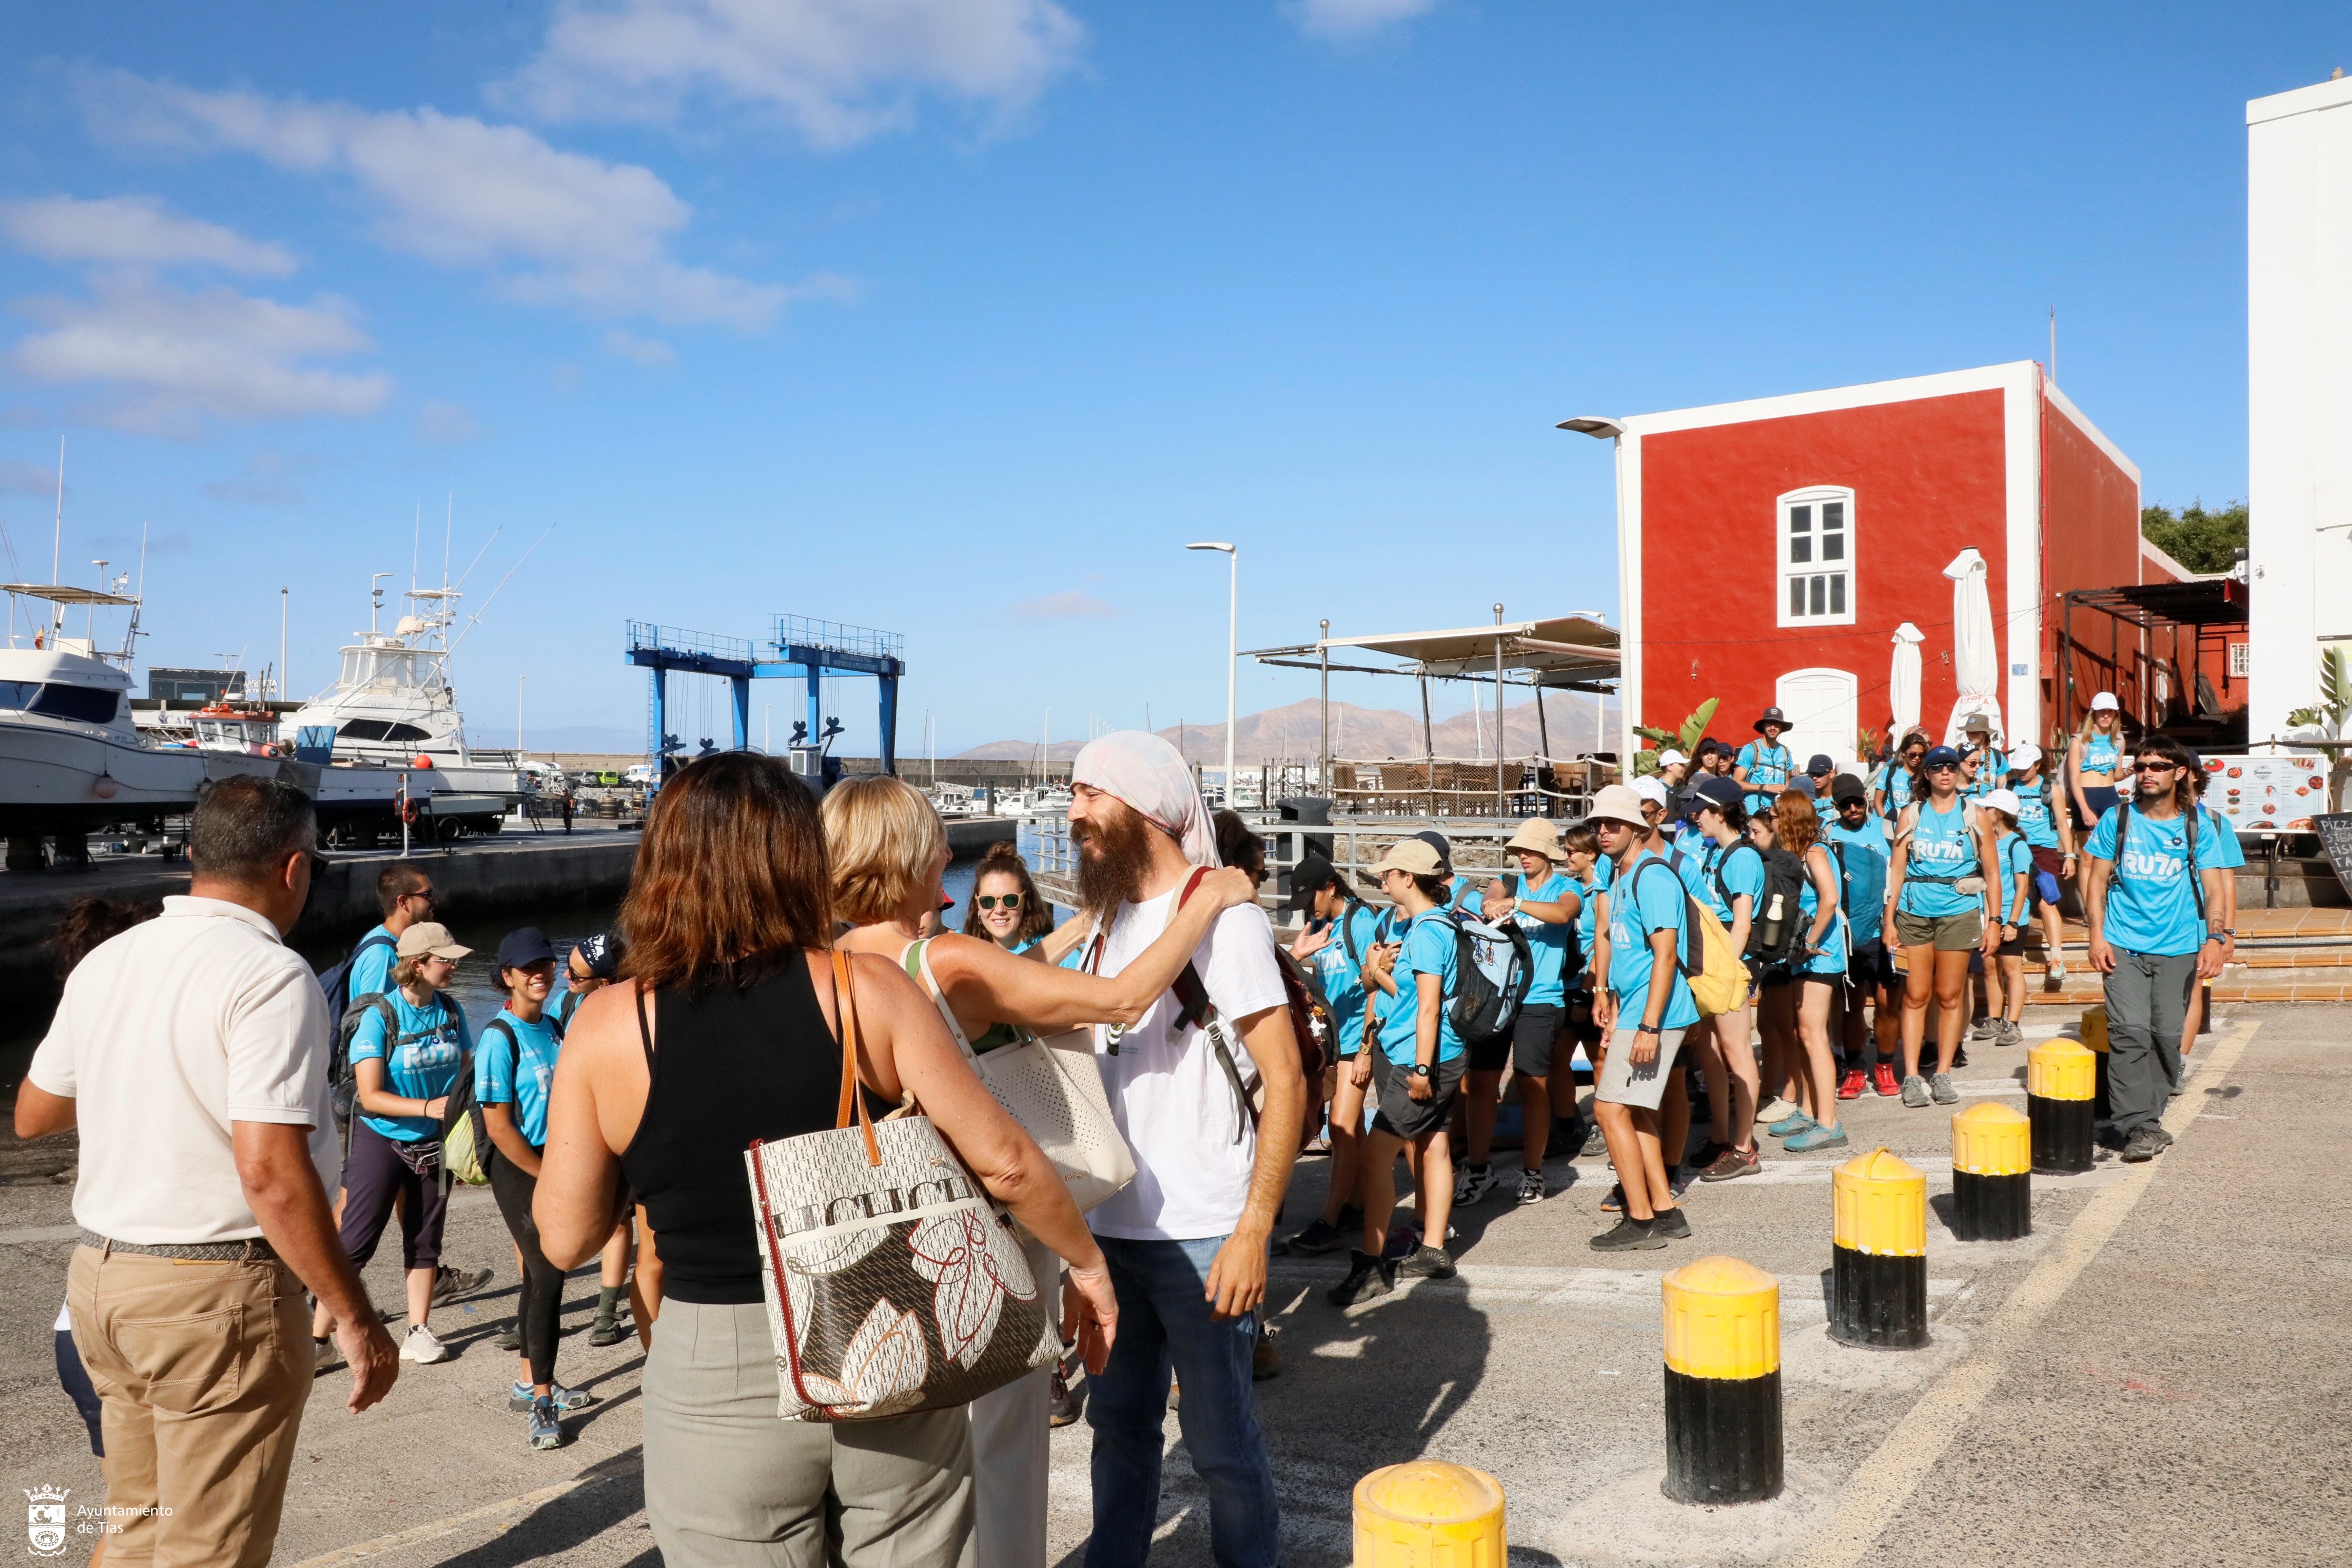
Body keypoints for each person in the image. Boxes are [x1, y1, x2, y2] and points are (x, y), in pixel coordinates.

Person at [532, 751, 1121, 1568]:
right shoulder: (867, 989)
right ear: (799, 859)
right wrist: (1086, 1264)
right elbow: (1008, 1164)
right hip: (884, 1331)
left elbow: (564, 1239)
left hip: (715, 1367)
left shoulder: (608, 1025)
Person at [826, 773, 1257, 1568]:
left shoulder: (831, 966)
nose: (946, 859)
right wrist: (1207, 898)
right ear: (909, 857)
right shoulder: (945, 960)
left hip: (884, 1251)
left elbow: (1020, 974)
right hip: (986, 1249)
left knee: (914, 1476)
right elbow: (1122, 1000)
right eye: (933, 845)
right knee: (1004, 1458)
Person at [18, 775, 399, 1567]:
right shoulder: (271, 974)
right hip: (214, 1296)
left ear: (196, 854)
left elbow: (34, 1115)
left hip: (103, 1280)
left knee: (136, 1534)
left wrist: (141, 1076)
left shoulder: (109, 962)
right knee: (209, 1551)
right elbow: (267, 1170)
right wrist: (355, 1316)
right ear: (294, 869)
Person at [1056, 732, 1299, 1568]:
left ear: (1147, 807)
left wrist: (1255, 1228)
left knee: (1223, 1445)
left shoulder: (1227, 921)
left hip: (1203, 1234)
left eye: (1091, 793)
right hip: (1106, 1235)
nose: (1073, 809)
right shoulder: (1106, 920)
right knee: (1117, 1428)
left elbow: (1286, 1079)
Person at [313, 920, 473, 1364]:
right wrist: (429, 1108)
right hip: (381, 1141)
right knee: (355, 1244)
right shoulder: (380, 1016)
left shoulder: (452, 1012)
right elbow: (370, 1095)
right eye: (446, 960)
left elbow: (465, 1073)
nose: (454, 966)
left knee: (425, 1240)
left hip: (435, 1145)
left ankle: (419, 1331)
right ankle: (318, 1341)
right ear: (418, 965)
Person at [477, 927, 600, 1450]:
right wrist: (545, 1175)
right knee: (548, 1274)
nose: (541, 975)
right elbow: (500, 1127)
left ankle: (528, 1382)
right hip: (517, 1167)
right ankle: (543, 1401)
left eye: (547, 965)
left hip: (556, 1162)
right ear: (506, 976)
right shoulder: (497, 1039)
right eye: (528, 967)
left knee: (541, 1275)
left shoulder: (553, 1027)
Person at [1329, 837, 1466, 1302]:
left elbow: (1428, 1010)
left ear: (1409, 879)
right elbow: (1408, 997)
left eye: (1388, 874)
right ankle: (1433, 1249)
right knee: (1435, 1146)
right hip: (1436, 1054)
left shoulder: (1427, 931)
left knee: (1374, 1156)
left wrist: (1423, 1071)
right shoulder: (1429, 926)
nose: (1382, 880)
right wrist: (1376, 971)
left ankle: (1371, 1264)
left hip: (1423, 1059)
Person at [2081, 736, 2230, 1161]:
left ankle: (2148, 1116)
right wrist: (2096, 934)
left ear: (2180, 773)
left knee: (2166, 1038)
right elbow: (2096, 880)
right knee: (2129, 1033)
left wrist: (2216, 939)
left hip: (2180, 946)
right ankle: (2139, 1125)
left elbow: (2215, 886)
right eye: (2142, 765)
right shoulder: (2119, 818)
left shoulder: (2196, 825)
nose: (2147, 773)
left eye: (2158, 766)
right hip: (2123, 943)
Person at [1584, 784, 1699, 1251]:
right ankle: (1665, 1212)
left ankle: (1640, 1218)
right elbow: (1621, 945)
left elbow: (1666, 955)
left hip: (1657, 1014)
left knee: (1608, 1109)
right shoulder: (1619, 873)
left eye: (1613, 824)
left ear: (1638, 827)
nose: (1603, 831)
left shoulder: (1652, 876)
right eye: (1597, 824)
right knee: (1634, 1112)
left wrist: (1649, 1026)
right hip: (1636, 1009)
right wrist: (1609, 998)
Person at [1457, 820, 1583, 1207]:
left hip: (1542, 1000)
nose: (1522, 856)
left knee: (1532, 1085)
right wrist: (1497, 898)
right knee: (1479, 1083)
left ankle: (1532, 1170)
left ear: (1549, 851)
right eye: (1518, 851)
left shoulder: (1567, 887)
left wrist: (1517, 905)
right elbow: (1491, 894)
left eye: (1529, 850)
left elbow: (1564, 915)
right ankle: (1479, 1169)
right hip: (1496, 1000)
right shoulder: (1506, 882)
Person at [1286, 854, 1393, 1255]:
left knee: (1343, 1127)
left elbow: (1377, 984)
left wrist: (1366, 1046)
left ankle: (1329, 1219)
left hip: (1358, 1041)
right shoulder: (1317, 923)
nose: (1306, 908)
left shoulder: (1362, 922)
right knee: (1346, 1130)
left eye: (1310, 897)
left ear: (1331, 887)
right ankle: (1356, 1203)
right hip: (1334, 1042)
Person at [1885, 746, 2002, 1107]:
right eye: (1938, 768)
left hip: (1960, 911)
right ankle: (1911, 1076)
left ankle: (1944, 1073)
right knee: (1916, 995)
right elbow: (1897, 871)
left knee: (1951, 996)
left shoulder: (1975, 816)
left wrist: (1995, 921)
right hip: (1914, 913)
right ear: (1927, 775)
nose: (1946, 774)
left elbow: (1993, 873)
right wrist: (1888, 920)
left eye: (1951, 767)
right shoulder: (1911, 814)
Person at [1749, 795, 1851, 1151]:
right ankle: (1809, 1111)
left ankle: (1829, 1123)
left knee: (1813, 1035)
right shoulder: (1801, 853)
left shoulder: (1815, 853)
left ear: (1789, 819)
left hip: (1820, 955)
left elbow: (1830, 899)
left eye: (1775, 816)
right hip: (1803, 955)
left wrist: (1810, 939)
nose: (1772, 822)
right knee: (1802, 1032)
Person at [1674, 777, 1763, 1181]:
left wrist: (1723, 971)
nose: (1696, 816)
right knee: (1709, 1050)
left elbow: (1742, 922)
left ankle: (1744, 1148)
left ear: (1722, 812)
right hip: (1713, 963)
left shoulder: (1742, 858)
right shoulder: (1718, 851)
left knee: (1736, 1051)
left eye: (1702, 810)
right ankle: (1721, 1134)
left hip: (1728, 965)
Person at [553, 930, 638, 1347]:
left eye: (576, 975)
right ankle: (540, 1311)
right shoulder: (566, 1003)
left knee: (619, 1220)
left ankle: (606, 1310)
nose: (564, 976)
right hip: (576, 1121)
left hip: (614, 1122)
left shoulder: (622, 1012)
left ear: (604, 985)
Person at [1824, 775, 1902, 1099]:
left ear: (1867, 798)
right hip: (1847, 933)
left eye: (1858, 801)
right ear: (1836, 806)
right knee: (1852, 1005)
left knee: (1886, 1003)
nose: (1853, 809)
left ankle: (1884, 1067)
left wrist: (1894, 921)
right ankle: (1855, 1070)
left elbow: (1901, 871)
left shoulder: (1887, 829)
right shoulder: (1828, 834)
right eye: (1846, 805)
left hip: (1884, 930)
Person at [2004, 742, 2075, 983]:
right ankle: (2015, 949)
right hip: (2015, 846)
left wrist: (2070, 856)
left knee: (2047, 901)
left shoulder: (2050, 789)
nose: (2021, 772)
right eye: (2018, 768)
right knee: (2017, 898)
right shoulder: (2009, 787)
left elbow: (2063, 824)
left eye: (2026, 767)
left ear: (2037, 765)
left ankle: (2056, 958)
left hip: (2044, 850)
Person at [1972, 789, 2034, 1048]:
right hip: (1986, 916)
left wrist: (2013, 922)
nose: (1984, 813)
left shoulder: (2017, 845)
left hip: (2010, 916)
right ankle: (1994, 1019)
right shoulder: (1986, 842)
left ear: (1999, 814)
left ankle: (2013, 1024)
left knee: (2011, 969)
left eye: (1988, 809)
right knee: (1989, 968)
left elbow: (2022, 887)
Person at [964, 841, 1057, 957]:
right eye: (988, 901)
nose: (1000, 910)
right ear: (977, 905)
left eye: (1010, 900)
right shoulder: (968, 956)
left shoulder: (1058, 954)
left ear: (1027, 902)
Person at [2066, 692, 2132, 854]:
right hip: (2086, 795)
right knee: (2087, 855)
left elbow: (2116, 775)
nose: (2106, 715)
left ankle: (2108, 880)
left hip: (2110, 794)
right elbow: (2074, 779)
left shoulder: (2119, 740)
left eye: (2110, 711)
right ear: (2094, 713)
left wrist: (2128, 772)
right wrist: (2084, 809)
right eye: (2102, 711)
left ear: (2115, 714)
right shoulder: (2079, 740)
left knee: (2113, 850)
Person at [1734, 707, 1795, 819]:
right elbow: (1736, 784)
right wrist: (1767, 787)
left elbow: (1787, 781)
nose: (1773, 728)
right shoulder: (1750, 750)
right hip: (1754, 813)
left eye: (1777, 724)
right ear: (1763, 726)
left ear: (1781, 728)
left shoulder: (1785, 752)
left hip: (1778, 813)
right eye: (1769, 724)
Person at [1870, 731, 1930, 824]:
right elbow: (1878, 801)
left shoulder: (1925, 774)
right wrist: (1885, 822)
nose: (1917, 758)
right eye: (1913, 755)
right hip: (1890, 821)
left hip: (1913, 823)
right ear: (1903, 753)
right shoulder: (1890, 771)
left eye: (1921, 755)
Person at [1959, 714, 2005, 799]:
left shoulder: (1997, 756)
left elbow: (2002, 791)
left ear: (1985, 733)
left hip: (1989, 808)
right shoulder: (1961, 754)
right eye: (1968, 732)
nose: (1970, 736)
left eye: (1975, 732)